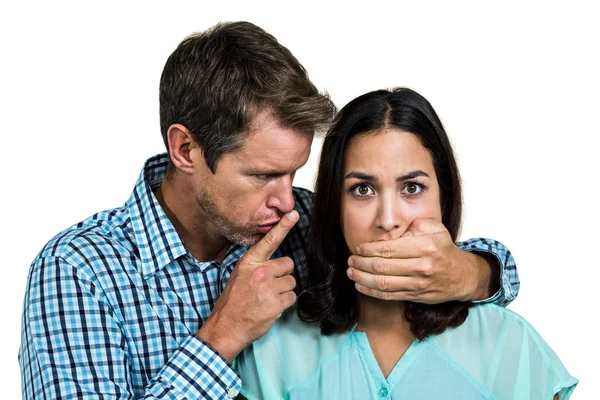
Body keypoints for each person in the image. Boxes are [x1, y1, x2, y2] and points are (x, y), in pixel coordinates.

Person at [19, 22, 520, 399]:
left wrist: (474, 273)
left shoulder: (300, 225)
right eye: (262, 176)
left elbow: (445, 267)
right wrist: (222, 335)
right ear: (186, 150)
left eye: (295, 172)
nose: (287, 199)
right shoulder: (77, 272)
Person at [235, 87, 577, 399]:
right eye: (362, 189)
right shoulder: (271, 351)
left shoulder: (510, 345)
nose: (388, 219)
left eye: (411, 188)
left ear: (443, 196)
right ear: (334, 206)